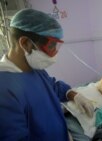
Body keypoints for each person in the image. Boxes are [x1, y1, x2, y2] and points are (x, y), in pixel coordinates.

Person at [0, 8, 94, 141]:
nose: (55, 53)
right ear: (25, 43)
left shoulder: (34, 69)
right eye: (51, 46)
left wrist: (74, 95)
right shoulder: (4, 89)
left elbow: (52, 87)